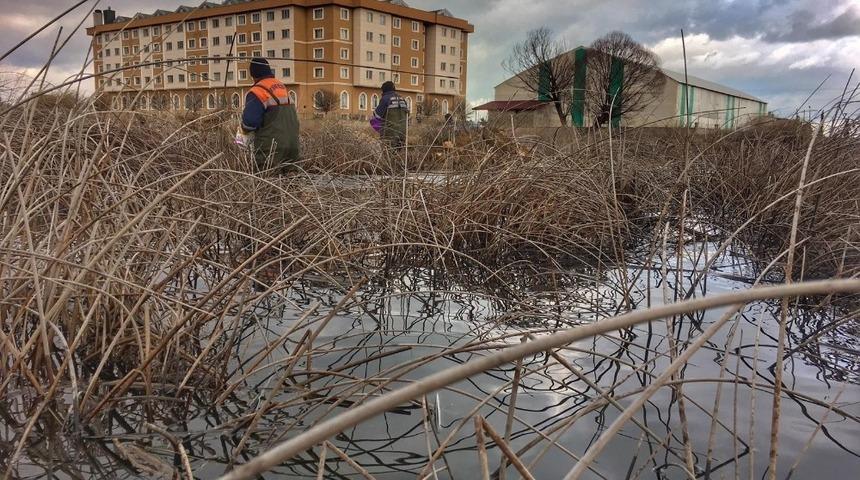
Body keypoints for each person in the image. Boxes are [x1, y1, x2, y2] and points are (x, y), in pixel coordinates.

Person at [237, 58, 300, 173]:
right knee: (291, 181)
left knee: (267, 181)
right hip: (293, 146)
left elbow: (249, 123)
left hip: (271, 148)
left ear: (253, 74)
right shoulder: (281, 86)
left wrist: (242, 135)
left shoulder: (257, 91)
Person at [372, 81, 410, 149]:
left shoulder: (385, 99)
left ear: (384, 90)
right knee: (398, 153)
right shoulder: (402, 99)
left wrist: (380, 131)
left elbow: (376, 115)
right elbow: (407, 115)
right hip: (402, 135)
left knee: (372, 120)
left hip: (390, 136)